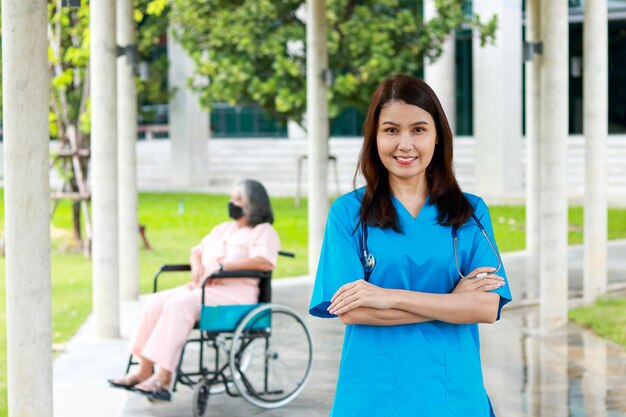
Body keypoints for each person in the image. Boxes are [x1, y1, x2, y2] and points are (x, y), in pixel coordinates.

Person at [309, 74, 512, 417]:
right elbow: (351, 310)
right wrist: (452, 303)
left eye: (418, 129)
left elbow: (485, 307)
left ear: (438, 137)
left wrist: (388, 296)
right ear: (374, 138)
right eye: (391, 130)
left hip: (453, 393)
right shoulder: (348, 214)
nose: (405, 144)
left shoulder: (471, 212)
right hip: (374, 395)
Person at [109, 179, 280, 401]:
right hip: (204, 288)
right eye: (231, 198)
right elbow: (197, 250)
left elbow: (263, 262)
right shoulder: (223, 229)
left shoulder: (262, 231)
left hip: (235, 294)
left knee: (177, 306)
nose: (232, 203)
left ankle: (163, 377)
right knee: (155, 303)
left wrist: (222, 267)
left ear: (254, 204)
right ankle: (144, 369)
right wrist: (198, 264)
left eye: (238, 199)